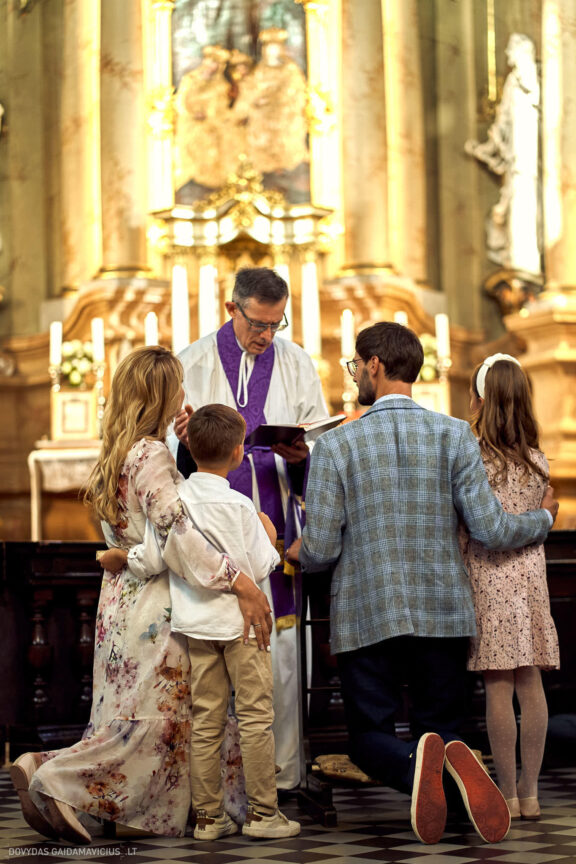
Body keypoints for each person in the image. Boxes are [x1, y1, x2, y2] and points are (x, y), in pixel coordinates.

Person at [286, 322, 558, 846]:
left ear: (375, 366)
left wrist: (299, 551)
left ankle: (419, 770)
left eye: (356, 365)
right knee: (445, 725)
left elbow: (319, 548)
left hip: (368, 611)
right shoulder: (456, 434)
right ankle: (449, 763)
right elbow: (490, 529)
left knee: (368, 740)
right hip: (445, 610)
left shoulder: (336, 444)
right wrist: (542, 520)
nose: (356, 374)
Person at [10, 347, 272, 844]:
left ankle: (67, 781)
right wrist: (239, 580)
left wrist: (177, 446)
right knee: (159, 722)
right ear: (160, 394)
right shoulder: (149, 454)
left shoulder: (122, 450)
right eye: (176, 387)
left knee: (126, 717)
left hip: (119, 602)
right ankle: (58, 779)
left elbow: (139, 525)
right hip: (155, 604)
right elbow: (177, 531)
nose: (182, 396)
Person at [106, 404, 301, 840]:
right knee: (254, 717)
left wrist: (123, 559)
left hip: (195, 628)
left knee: (206, 720)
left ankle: (208, 818)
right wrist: (269, 536)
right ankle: (264, 814)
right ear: (238, 454)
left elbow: (156, 558)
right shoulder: (240, 506)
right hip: (243, 628)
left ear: (189, 447)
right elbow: (261, 567)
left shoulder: (177, 502)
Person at [169, 266, 328, 789]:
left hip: (276, 521)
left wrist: (304, 452)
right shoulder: (190, 362)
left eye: (275, 325)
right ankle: (211, 786)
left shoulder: (298, 363)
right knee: (208, 659)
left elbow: (321, 446)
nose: (265, 335)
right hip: (209, 529)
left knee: (278, 654)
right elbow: (170, 459)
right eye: (257, 322)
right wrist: (183, 440)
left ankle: (277, 778)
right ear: (231, 308)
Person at [461, 353, 560, 821]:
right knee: (531, 681)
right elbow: (540, 517)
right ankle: (532, 792)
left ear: (481, 399)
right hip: (530, 578)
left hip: (486, 574)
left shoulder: (475, 458)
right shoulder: (538, 460)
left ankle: (506, 792)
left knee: (498, 686)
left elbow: (469, 525)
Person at [465, 33, 540, 275]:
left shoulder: (530, 79)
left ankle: (527, 260)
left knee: (525, 197)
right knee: (516, 199)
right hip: (517, 156)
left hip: (529, 155)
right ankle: (521, 259)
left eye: (511, 51)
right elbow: (502, 123)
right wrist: (487, 147)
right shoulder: (512, 83)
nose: (507, 55)